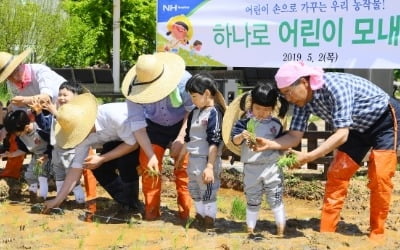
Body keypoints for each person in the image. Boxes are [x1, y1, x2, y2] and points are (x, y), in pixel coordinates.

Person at [253, 61, 400, 242]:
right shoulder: (302, 102)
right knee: (337, 173)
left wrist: (309, 156)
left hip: (382, 121)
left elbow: (342, 135)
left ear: (304, 83)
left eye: (288, 92)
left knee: (380, 176)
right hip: (354, 128)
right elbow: (294, 136)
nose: (288, 99)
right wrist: (270, 144)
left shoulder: (335, 87)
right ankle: (327, 232)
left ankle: (377, 234)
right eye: (284, 95)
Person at [121, 52, 194, 221]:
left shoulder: (183, 80)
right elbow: (138, 125)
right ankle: (151, 214)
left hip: (182, 123)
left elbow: (192, 110)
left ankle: (186, 215)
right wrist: (150, 154)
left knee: (184, 168)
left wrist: (182, 138)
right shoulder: (132, 91)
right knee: (149, 168)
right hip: (153, 126)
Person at [43, 93, 141, 215]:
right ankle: (127, 202)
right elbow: (75, 169)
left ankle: (133, 206)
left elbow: (133, 144)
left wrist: (102, 158)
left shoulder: (113, 116)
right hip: (120, 139)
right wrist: (57, 200)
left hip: (143, 134)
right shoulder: (81, 138)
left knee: (125, 162)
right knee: (97, 167)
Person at [228, 83, 289, 236]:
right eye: (258, 109)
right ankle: (250, 229)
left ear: (273, 108)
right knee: (252, 198)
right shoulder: (244, 123)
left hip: (272, 167)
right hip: (251, 167)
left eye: (267, 110)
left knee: (275, 197)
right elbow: (234, 141)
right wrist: (241, 135)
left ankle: (281, 228)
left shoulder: (275, 124)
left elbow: (282, 143)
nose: (262, 113)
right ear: (250, 105)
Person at [0, 48, 66, 179]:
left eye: (15, 72)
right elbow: (21, 110)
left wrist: (24, 101)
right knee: (16, 135)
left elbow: (45, 98)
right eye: (9, 76)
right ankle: (11, 176)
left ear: (21, 64)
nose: (14, 78)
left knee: (80, 148)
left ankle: (89, 193)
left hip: (65, 110)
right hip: (42, 116)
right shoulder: (12, 84)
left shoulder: (40, 72)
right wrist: (7, 127)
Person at [178, 73, 226, 229]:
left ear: (206, 93)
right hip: (193, 160)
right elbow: (188, 138)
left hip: (207, 160)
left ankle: (209, 219)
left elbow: (215, 141)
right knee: (194, 189)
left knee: (208, 191)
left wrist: (210, 167)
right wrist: (180, 158)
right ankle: (199, 215)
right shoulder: (194, 112)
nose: (192, 100)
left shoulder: (214, 113)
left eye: (194, 96)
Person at [37, 82, 96, 205]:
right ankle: (60, 200)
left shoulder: (76, 112)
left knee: (73, 177)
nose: (61, 98)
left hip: (72, 150)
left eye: (65, 95)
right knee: (59, 175)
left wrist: (55, 112)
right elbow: (47, 127)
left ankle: (81, 201)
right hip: (57, 149)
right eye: (60, 95)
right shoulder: (57, 109)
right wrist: (39, 113)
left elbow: (68, 123)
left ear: (76, 97)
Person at [2, 109, 53, 203]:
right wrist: (11, 154)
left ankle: (42, 198)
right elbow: (23, 149)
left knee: (42, 176)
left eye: (17, 133)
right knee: (30, 175)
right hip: (37, 157)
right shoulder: (20, 135)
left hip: (47, 155)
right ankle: (33, 195)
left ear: (26, 127)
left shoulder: (40, 130)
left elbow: (53, 143)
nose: (16, 135)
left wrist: (47, 155)